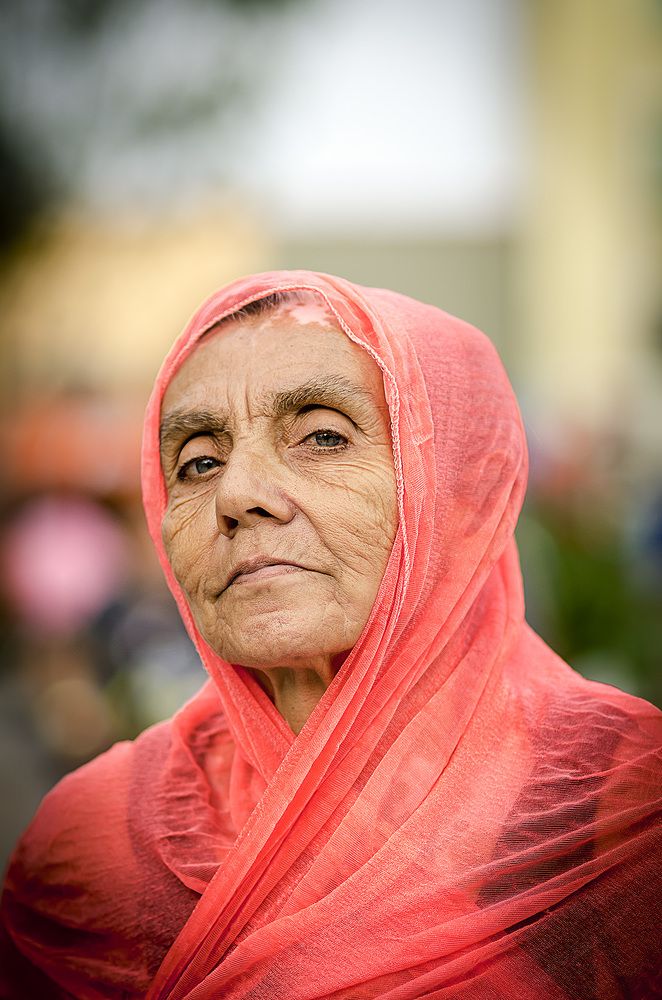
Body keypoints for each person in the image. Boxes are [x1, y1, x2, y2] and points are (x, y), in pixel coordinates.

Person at [1, 270, 660, 999]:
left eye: (321, 436)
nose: (238, 493)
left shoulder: (626, 806)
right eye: (197, 462)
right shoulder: (96, 843)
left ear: (460, 494)